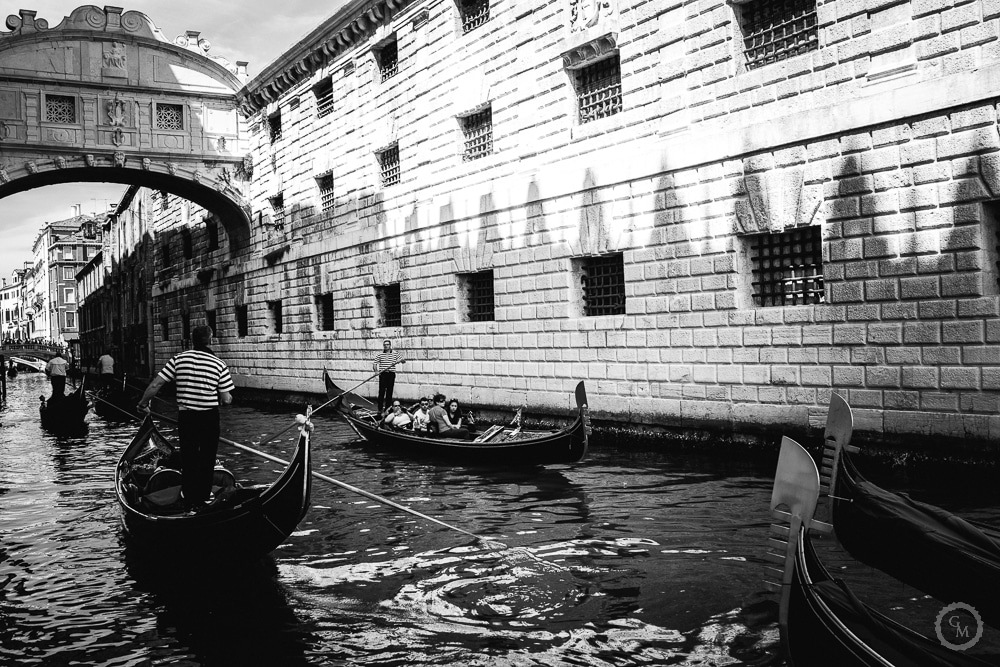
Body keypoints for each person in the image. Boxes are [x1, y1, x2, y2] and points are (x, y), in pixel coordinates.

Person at [137, 326, 234, 509]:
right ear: (210, 340)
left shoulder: (178, 360)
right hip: (209, 418)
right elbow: (227, 398)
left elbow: (156, 384)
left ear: (192, 340)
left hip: (187, 418)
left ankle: (190, 498)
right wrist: (224, 398)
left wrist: (143, 404)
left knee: (189, 458)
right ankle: (203, 499)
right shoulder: (219, 364)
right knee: (207, 458)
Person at [372, 339, 405, 414]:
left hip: (391, 374)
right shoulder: (379, 354)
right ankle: (380, 409)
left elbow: (404, 361)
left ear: (390, 346)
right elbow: (374, 364)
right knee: (381, 392)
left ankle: (387, 409)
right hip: (383, 374)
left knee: (389, 392)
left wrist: (401, 360)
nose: (386, 346)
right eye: (385, 345)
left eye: (387, 344)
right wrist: (376, 371)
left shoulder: (395, 354)